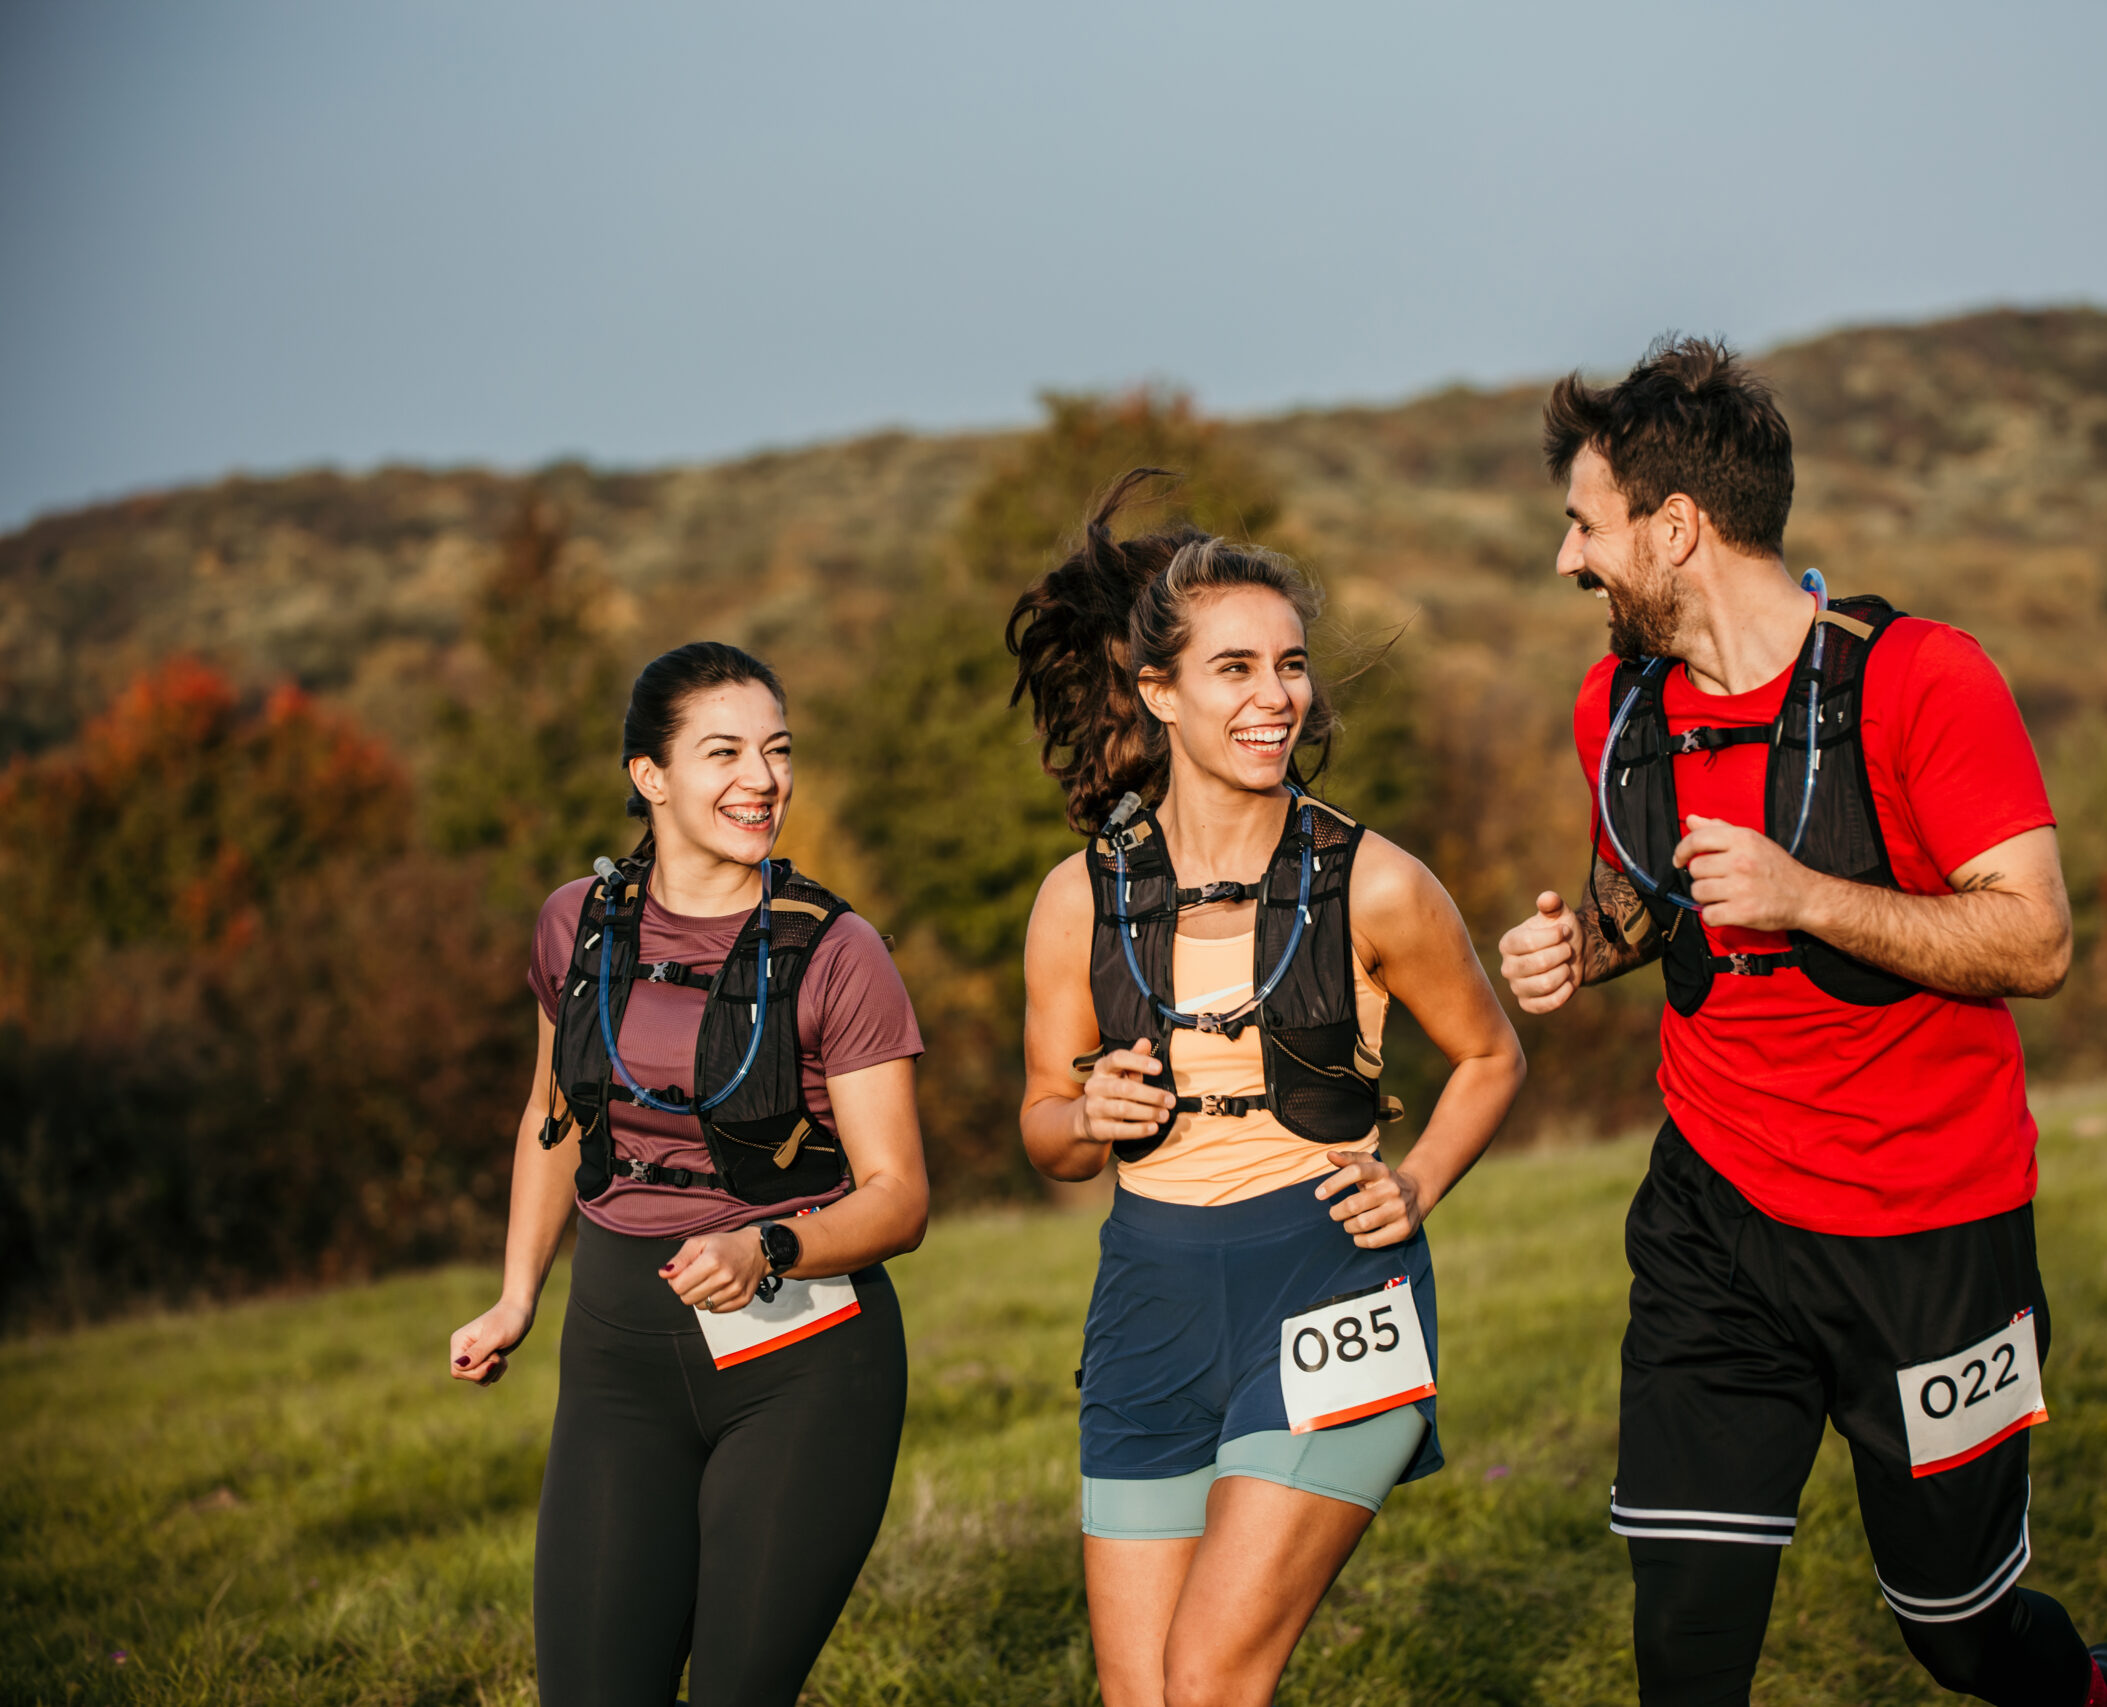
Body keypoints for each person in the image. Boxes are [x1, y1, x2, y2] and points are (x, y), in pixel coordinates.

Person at [1496, 340, 2107, 1707]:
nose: (1568, 560)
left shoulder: (1921, 679)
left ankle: (2097, 1694)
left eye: (1584, 523)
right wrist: (1584, 945)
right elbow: (1647, 888)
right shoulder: (1619, 701)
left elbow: (2034, 934)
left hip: (1934, 1232)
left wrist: (1810, 895)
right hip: (1714, 1216)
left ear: (1676, 528)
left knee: (1957, 1628)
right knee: (1685, 1641)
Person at [1010, 474, 1527, 1707]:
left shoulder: (1378, 883)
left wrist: (1416, 1182)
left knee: (1210, 1680)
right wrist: (1084, 1119)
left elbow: (1491, 1055)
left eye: (1289, 665)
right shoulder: (1077, 899)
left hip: (1327, 1281)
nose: (1275, 696)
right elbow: (1042, 1125)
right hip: (1148, 1304)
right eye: (1235, 669)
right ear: (1160, 694)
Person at [447, 641, 930, 1707]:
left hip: (805, 1364)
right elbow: (553, 1115)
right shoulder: (578, 923)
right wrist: (517, 1295)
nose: (762, 779)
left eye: (778, 750)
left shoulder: (840, 953)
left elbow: (899, 1197)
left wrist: (767, 1244)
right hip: (616, 1358)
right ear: (650, 777)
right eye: (724, 752)